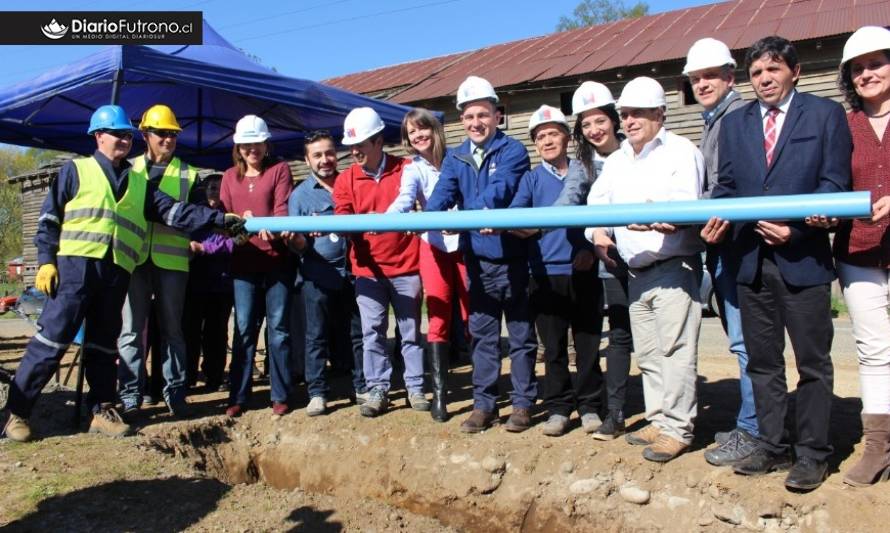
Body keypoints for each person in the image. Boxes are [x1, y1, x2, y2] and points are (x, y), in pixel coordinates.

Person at [1, 105, 241, 442]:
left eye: (128, 134)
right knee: (52, 340)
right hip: (75, 269)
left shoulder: (137, 181)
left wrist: (219, 220)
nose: (124, 140)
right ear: (98, 136)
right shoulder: (76, 170)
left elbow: (172, 212)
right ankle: (17, 413)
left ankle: (101, 409)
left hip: (116, 271)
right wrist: (45, 261)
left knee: (103, 345)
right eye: (117, 133)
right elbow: (48, 220)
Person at [705, 36, 851, 491]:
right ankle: (771, 444)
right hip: (749, 261)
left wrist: (798, 229)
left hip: (802, 257)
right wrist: (719, 222)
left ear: (795, 71)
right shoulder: (737, 125)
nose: (764, 80)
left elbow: (833, 184)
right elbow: (727, 187)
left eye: (773, 70)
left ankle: (812, 454)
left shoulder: (824, 115)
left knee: (812, 362)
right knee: (763, 363)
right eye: (756, 73)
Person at [586, 76, 705, 462]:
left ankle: (678, 427)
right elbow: (594, 207)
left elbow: (685, 204)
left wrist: (656, 216)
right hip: (635, 270)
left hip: (673, 264)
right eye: (625, 114)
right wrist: (599, 234)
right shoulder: (618, 160)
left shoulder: (681, 152)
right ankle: (658, 418)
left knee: (676, 350)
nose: (630, 120)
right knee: (652, 354)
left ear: (660, 113)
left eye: (638, 113)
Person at [426, 75, 537, 433]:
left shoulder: (513, 150)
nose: (476, 123)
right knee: (484, 336)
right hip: (477, 258)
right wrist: (431, 217)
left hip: (514, 257)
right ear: (462, 119)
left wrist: (471, 216)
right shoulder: (456, 157)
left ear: (496, 114)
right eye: (470, 116)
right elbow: (443, 194)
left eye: (483, 115)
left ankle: (521, 404)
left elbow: (502, 188)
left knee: (520, 335)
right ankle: (484, 404)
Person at [683, 38, 759, 467]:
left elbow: (734, 185)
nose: (702, 83)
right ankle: (754, 421)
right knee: (742, 342)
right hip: (722, 242)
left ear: (730, 76)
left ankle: (755, 429)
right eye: (696, 78)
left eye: (710, 75)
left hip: (738, 243)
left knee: (748, 343)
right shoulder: (714, 119)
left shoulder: (737, 117)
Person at [509, 105, 603, 437]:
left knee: (588, 342)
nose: (547, 141)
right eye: (540, 136)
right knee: (554, 347)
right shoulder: (531, 180)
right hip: (545, 273)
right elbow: (516, 219)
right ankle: (559, 408)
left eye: (553, 133)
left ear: (566, 137)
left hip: (584, 270)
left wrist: (590, 250)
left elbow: (604, 214)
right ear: (535, 144)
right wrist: (524, 229)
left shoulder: (589, 171)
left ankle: (591, 406)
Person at [826, 26, 890, 487]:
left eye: (876, 63)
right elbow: (830, 180)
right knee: (874, 352)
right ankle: (878, 448)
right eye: (858, 68)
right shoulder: (844, 125)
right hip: (860, 252)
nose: (867, 73)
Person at [333, 107, 426, 418]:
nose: (354, 151)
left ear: (377, 141)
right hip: (367, 269)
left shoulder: (406, 169)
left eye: (360, 145)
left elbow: (421, 203)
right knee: (372, 331)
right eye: (351, 146)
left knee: (410, 330)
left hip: (406, 264)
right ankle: (377, 389)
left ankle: (415, 386)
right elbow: (342, 214)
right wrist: (360, 221)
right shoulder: (346, 179)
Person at [116, 104, 202, 417]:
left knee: (172, 331)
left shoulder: (189, 174)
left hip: (173, 263)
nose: (168, 139)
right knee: (131, 331)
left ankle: (175, 393)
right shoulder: (127, 169)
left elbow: (197, 216)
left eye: (173, 134)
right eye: (162, 133)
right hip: (134, 260)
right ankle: (129, 394)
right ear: (145, 135)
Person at [560, 81, 633, 440]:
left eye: (599, 120)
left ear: (614, 118)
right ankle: (616, 413)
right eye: (586, 124)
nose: (594, 130)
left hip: (650, 254)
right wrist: (529, 224)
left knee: (657, 339)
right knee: (619, 336)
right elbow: (569, 200)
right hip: (611, 261)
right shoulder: (584, 165)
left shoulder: (637, 151)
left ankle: (671, 415)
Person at [386, 108, 469, 422]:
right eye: (411, 132)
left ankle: (485, 387)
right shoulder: (413, 168)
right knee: (438, 315)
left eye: (423, 129)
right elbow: (405, 198)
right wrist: (386, 220)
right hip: (432, 246)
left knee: (472, 313)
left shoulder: (457, 158)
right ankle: (440, 395)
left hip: (463, 244)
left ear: (435, 130)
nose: (418, 136)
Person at [288, 130, 369, 416]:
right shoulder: (300, 196)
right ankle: (318, 393)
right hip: (317, 274)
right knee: (316, 336)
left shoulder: (352, 183)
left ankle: (363, 386)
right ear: (307, 160)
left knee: (359, 333)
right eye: (318, 155)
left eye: (329, 153)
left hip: (355, 271)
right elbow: (296, 246)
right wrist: (296, 238)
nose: (325, 160)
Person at [220, 114, 295, 418]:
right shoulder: (228, 177)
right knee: (244, 329)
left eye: (257, 143)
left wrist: (269, 226)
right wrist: (241, 226)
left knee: (278, 330)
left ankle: (281, 394)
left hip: (276, 261)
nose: (252, 149)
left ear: (266, 144)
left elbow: (281, 210)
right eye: (246, 144)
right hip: (243, 263)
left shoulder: (279, 170)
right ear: (238, 147)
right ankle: (238, 394)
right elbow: (224, 219)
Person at [183, 173, 233, 393]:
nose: (214, 191)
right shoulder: (195, 212)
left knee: (217, 331)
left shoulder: (231, 214)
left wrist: (206, 248)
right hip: (194, 281)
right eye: (210, 187)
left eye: (218, 187)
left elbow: (237, 240)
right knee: (190, 330)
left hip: (221, 283)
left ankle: (214, 375)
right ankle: (188, 376)